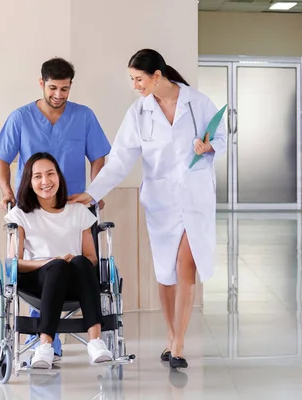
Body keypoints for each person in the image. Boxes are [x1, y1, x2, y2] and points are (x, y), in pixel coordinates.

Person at [70, 49, 227, 369]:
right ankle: (171, 336)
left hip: (195, 197)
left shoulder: (197, 103)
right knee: (166, 273)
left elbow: (222, 136)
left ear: (158, 76)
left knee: (187, 265)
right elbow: (120, 160)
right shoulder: (139, 113)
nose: (135, 85)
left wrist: (210, 146)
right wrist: (91, 192)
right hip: (161, 202)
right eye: (132, 79)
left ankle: (179, 343)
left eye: (138, 79)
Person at [0, 57, 111, 360]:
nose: (58, 95)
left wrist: (94, 191)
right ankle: (47, 344)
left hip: (71, 206)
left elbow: (99, 157)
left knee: (81, 263)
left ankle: (82, 343)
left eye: (65, 89)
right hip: (33, 209)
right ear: (41, 83)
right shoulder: (20, 118)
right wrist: (7, 191)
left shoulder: (83, 117)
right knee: (48, 263)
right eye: (53, 88)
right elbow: (2, 159)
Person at [4, 152, 114, 369]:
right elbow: (14, 263)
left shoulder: (78, 211)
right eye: (37, 176)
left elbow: (92, 258)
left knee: (81, 262)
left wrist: (73, 259)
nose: (45, 181)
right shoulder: (21, 215)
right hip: (38, 282)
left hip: (76, 282)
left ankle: (96, 342)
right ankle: (45, 346)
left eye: (50, 174)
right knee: (57, 267)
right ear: (29, 181)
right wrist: (48, 262)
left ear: (59, 178)